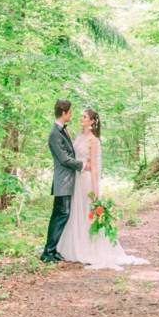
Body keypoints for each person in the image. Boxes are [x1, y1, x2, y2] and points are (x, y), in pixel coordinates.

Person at [56, 106, 147, 269]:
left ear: (92, 121)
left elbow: (95, 167)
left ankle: (90, 249)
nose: (81, 118)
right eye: (81, 116)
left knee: (87, 212)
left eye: (84, 117)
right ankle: (74, 245)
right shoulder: (78, 135)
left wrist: (96, 190)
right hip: (76, 178)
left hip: (87, 181)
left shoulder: (93, 140)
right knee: (76, 212)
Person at [40, 99, 88, 263]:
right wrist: (83, 165)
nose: (72, 115)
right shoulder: (54, 133)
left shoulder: (62, 131)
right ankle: (48, 252)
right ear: (64, 113)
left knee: (59, 215)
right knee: (62, 214)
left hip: (67, 181)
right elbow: (64, 159)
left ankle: (51, 250)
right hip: (63, 181)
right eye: (70, 112)